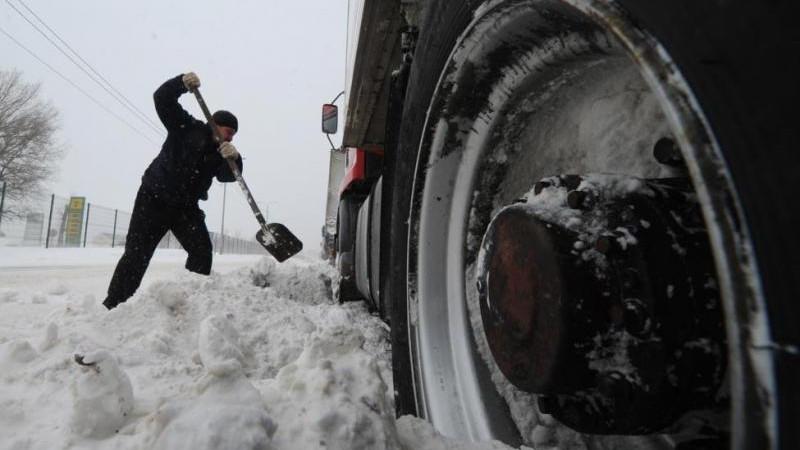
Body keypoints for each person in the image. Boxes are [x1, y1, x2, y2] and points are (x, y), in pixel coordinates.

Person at [102, 72, 242, 310]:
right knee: (137, 254)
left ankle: (187, 302)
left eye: (232, 134)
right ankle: (114, 305)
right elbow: (162, 99)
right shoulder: (186, 127)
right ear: (212, 123)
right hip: (154, 198)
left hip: (185, 208)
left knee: (202, 251)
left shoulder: (222, 152)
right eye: (225, 129)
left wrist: (236, 159)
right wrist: (180, 84)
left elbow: (228, 176)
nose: (228, 135)